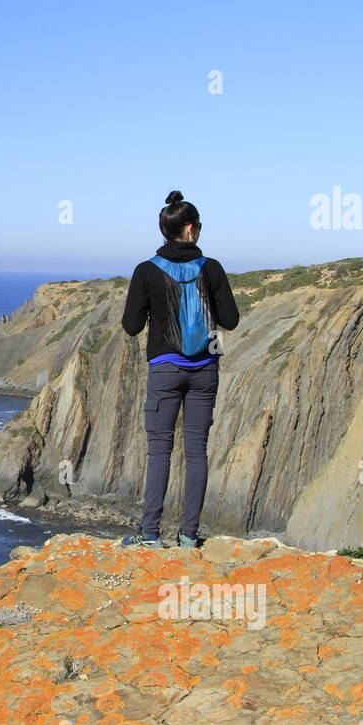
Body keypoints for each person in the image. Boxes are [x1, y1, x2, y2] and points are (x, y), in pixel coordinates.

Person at [119, 191, 240, 549]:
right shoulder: (212, 268)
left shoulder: (146, 271)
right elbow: (230, 319)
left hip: (165, 369)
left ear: (165, 229)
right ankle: (189, 535)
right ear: (191, 229)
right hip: (205, 370)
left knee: (159, 450)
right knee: (197, 452)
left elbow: (131, 326)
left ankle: (150, 534)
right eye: (198, 227)